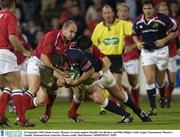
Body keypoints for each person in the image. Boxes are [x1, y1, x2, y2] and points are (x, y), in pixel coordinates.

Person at [40, 36, 151, 123]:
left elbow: (108, 62)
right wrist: (62, 80)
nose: (90, 50)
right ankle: (127, 115)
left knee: (120, 96)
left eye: (90, 48)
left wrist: (100, 73)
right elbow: (58, 70)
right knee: (97, 98)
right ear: (80, 50)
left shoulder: (91, 47)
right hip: (90, 80)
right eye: (88, 50)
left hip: (102, 73)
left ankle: (140, 112)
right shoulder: (69, 53)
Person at [132, 0, 177, 115]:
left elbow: (174, 32)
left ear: (154, 9)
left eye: (150, 8)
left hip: (162, 51)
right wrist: (137, 43)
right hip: (147, 52)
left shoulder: (162, 19)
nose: (147, 11)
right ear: (143, 9)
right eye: (145, 9)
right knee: (149, 79)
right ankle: (153, 107)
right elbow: (134, 35)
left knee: (159, 81)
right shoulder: (138, 21)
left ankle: (162, 96)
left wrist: (164, 40)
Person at [23, 20, 77, 115]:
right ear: (64, 29)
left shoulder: (70, 44)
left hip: (49, 68)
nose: (73, 35)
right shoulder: (52, 36)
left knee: (42, 99)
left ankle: (19, 108)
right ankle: (21, 117)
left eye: (74, 33)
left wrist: (64, 78)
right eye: (71, 31)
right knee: (34, 88)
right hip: (37, 62)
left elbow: (64, 64)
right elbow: (44, 58)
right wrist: (58, 72)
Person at [91, 4, 133, 113]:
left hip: (117, 58)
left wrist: (133, 45)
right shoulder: (98, 27)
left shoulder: (122, 24)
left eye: (109, 12)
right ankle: (105, 107)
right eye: (105, 13)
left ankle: (116, 103)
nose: (107, 15)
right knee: (103, 84)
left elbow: (135, 30)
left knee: (116, 86)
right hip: (104, 59)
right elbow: (93, 44)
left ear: (113, 13)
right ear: (102, 15)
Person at [0, 0, 33, 127]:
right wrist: (23, 51)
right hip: (5, 53)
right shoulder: (10, 16)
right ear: (13, 5)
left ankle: (1, 116)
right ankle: (22, 119)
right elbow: (13, 38)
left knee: (7, 87)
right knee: (17, 87)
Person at [157, 2, 180, 107]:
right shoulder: (155, 22)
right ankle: (163, 98)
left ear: (168, 11)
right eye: (162, 10)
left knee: (172, 81)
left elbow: (177, 35)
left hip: (171, 53)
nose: (164, 12)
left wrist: (179, 47)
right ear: (158, 11)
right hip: (159, 54)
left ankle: (168, 96)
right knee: (160, 80)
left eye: (165, 10)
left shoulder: (174, 22)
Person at [117, 3, 140, 107]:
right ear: (117, 13)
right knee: (113, 81)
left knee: (133, 82)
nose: (123, 13)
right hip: (116, 57)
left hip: (131, 55)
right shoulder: (113, 25)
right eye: (121, 11)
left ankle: (136, 103)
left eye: (125, 11)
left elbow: (141, 40)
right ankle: (120, 101)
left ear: (128, 12)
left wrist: (130, 48)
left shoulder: (134, 24)